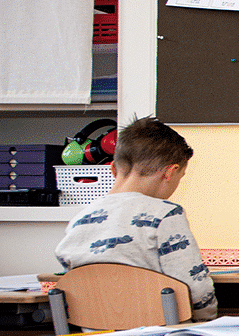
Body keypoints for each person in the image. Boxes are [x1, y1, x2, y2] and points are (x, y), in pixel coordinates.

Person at [55, 117, 218, 321]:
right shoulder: (166, 214)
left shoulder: (81, 218)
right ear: (170, 172)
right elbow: (194, 285)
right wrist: (208, 322)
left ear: (113, 169)